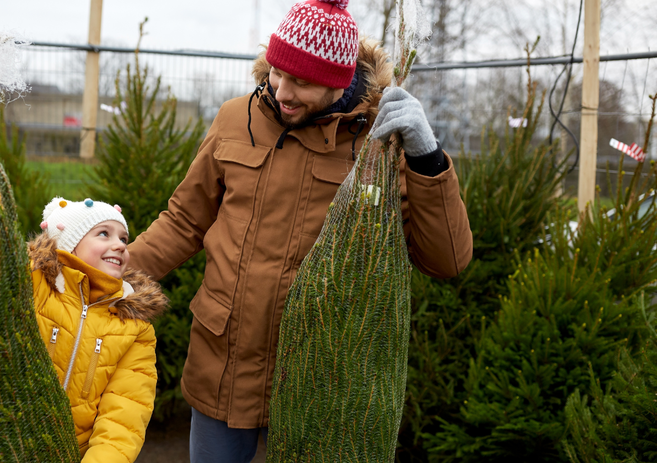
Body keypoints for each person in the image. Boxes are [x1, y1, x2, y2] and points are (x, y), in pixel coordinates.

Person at [125, 0, 473, 461]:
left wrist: (426, 154)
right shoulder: (236, 118)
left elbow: (446, 259)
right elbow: (185, 219)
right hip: (222, 362)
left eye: (303, 82)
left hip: (319, 377)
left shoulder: (379, 146)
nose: (283, 91)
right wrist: (113, 271)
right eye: (277, 73)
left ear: (339, 81)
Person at [27, 197, 167, 462]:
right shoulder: (35, 285)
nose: (120, 245)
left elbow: (123, 417)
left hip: (73, 453)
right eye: (104, 234)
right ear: (69, 245)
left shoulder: (134, 327)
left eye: (124, 239)